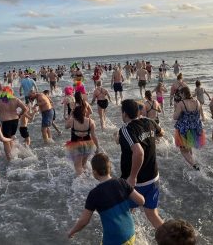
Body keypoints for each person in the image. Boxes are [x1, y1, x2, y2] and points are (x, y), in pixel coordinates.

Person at [68, 153, 145, 243]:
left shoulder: (94, 194)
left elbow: (84, 221)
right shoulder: (122, 182)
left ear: (94, 172)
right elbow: (141, 201)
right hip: (130, 233)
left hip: (114, 239)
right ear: (110, 168)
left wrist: (72, 231)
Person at [118, 99, 165, 229]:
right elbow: (161, 133)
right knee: (152, 214)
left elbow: (138, 152)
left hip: (136, 182)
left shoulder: (126, 129)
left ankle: (127, 239)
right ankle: (170, 240)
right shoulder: (149, 122)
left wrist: (132, 177)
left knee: (124, 213)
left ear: (125, 114)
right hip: (153, 177)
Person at [173, 87, 205, 169]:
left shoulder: (181, 103)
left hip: (184, 129)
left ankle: (195, 166)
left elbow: (175, 117)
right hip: (195, 128)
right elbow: (200, 115)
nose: (180, 95)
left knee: (183, 150)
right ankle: (192, 161)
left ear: (183, 93)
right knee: (189, 146)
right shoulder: (197, 102)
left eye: (181, 94)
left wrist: (176, 108)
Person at [0, 86, 27, 159]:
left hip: (5, 121)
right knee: (11, 137)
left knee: (5, 141)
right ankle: (13, 154)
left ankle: (9, 158)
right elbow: (25, 108)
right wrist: (20, 114)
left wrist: (1, 109)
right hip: (15, 120)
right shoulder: (16, 99)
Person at [64, 105, 99, 176]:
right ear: (84, 112)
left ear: (75, 113)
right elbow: (94, 136)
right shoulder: (90, 121)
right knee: (83, 164)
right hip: (88, 145)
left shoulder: (72, 121)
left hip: (75, 145)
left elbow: (66, 126)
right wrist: (97, 147)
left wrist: (70, 115)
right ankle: (88, 176)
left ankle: (81, 182)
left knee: (77, 167)